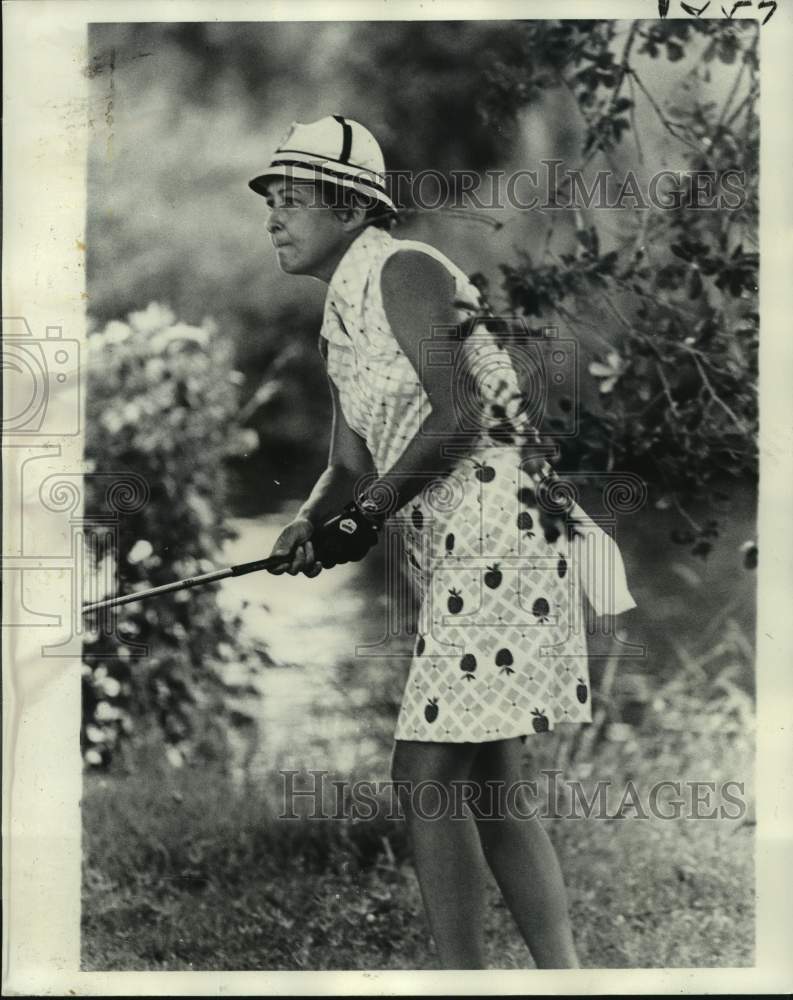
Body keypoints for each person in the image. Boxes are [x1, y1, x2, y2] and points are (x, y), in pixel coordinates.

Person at [249, 115, 636, 970]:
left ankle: (462, 980)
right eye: (269, 201)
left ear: (350, 206)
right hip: (457, 546)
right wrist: (312, 521)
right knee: (494, 784)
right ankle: (563, 978)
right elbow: (347, 463)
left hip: (503, 529)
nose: (273, 216)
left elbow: (461, 414)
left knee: (423, 775)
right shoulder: (336, 316)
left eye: (291, 199)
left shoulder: (405, 270)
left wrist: (366, 515)